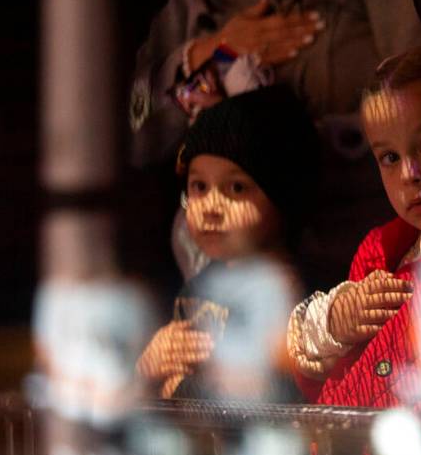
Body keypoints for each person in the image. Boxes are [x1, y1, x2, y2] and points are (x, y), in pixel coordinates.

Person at [130, 0, 421, 287]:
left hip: (361, 240)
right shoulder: (199, 0)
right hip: (227, 258)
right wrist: (206, 56)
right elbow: (125, 136)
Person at [286, 42, 421, 413]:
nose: (409, 174)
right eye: (389, 157)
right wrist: (335, 321)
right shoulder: (378, 253)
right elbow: (324, 371)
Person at [136, 86, 319, 399]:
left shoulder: (301, 296)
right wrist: (148, 368)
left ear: (284, 198)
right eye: (199, 186)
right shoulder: (198, 289)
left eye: (236, 188)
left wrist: (181, 387)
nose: (211, 206)